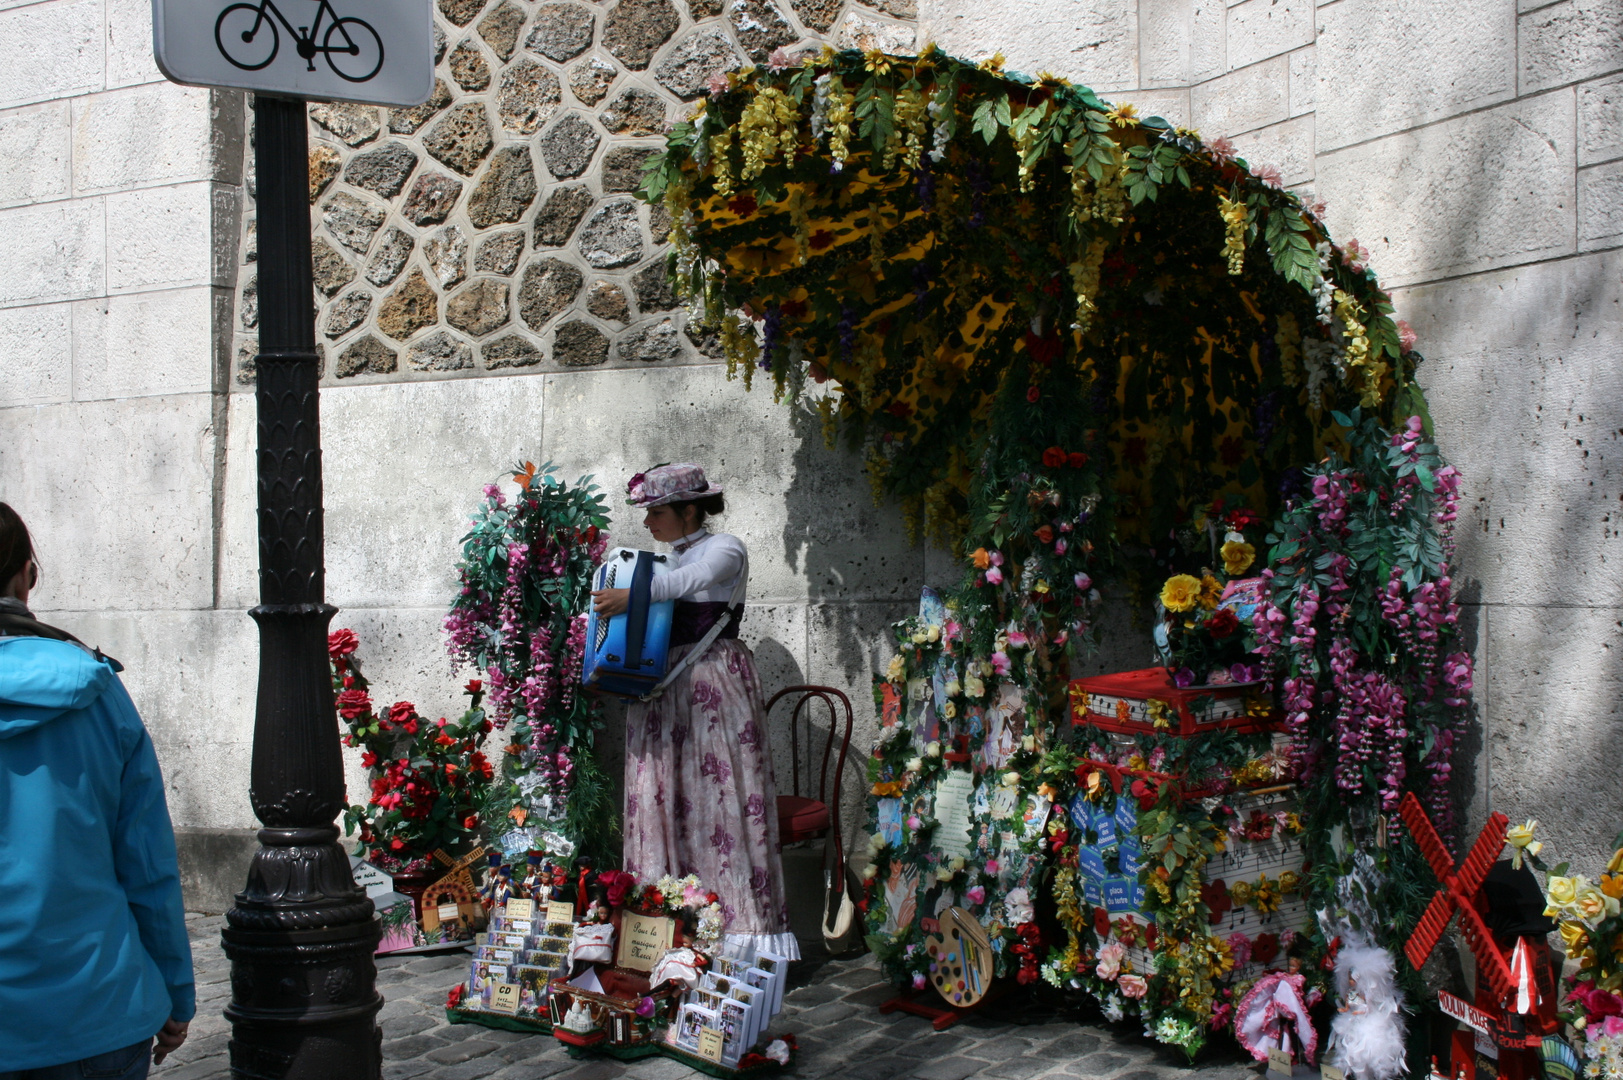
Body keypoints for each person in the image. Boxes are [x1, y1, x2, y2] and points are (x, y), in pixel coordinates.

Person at [0, 503, 195, 1077]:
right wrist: (174, 991)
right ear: (25, 576)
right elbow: (147, 865)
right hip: (94, 1008)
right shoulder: (96, 692)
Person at [592, 464, 798, 961]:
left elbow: (695, 580)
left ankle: (738, 936)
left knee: (719, 795)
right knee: (662, 796)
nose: (648, 523)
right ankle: (666, 929)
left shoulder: (725, 548)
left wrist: (632, 596)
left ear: (689, 510)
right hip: (664, 688)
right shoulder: (660, 563)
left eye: (656, 512)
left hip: (711, 682)